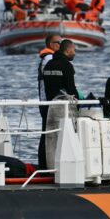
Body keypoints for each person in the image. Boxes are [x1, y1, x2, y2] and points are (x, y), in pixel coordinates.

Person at [37, 34, 61, 169]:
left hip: (47, 100)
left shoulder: (49, 58)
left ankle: (46, 164)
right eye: (59, 43)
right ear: (51, 45)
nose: (61, 45)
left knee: (47, 133)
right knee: (47, 134)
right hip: (48, 102)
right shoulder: (49, 59)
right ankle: (45, 165)